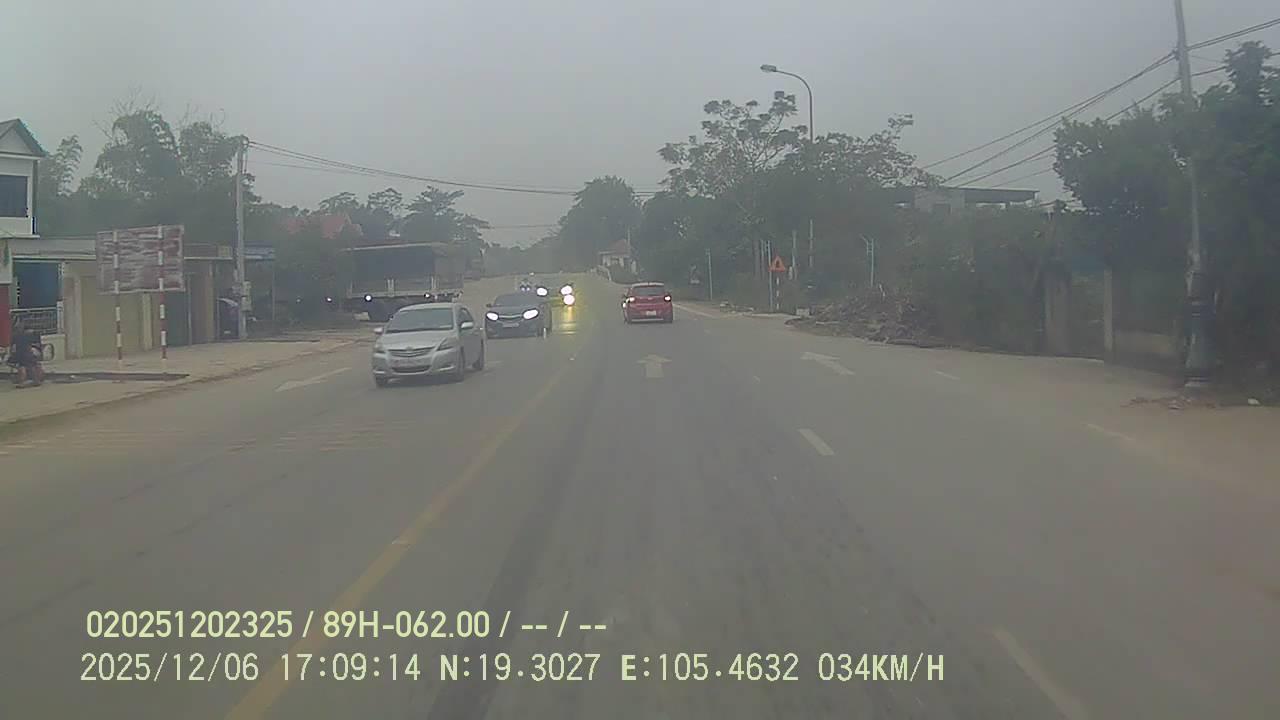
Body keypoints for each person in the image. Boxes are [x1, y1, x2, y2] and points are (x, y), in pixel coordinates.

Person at [9, 319, 44, 387]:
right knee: (31, 366)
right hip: (28, 353)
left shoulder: (15, 336)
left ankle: (22, 382)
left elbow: (13, 347)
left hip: (22, 354)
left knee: (23, 367)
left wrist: (12, 355)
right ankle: (36, 380)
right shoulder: (29, 335)